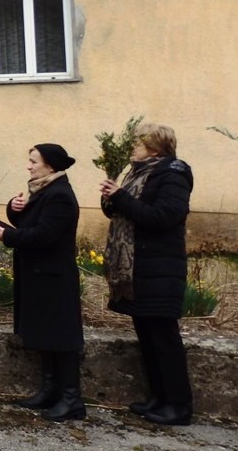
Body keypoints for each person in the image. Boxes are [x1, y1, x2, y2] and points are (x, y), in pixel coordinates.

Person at [99, 123, 193, 426]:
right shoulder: (137, 174)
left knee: (164, 338)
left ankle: (178, 406)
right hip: (140, 269)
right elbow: (124, 213)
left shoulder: (173, 174)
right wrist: (111, 198)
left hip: (160, 268)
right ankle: (159, 397)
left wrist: (122, 198)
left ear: (154, 147)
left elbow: (163, 217)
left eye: (137, 143)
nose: (132, 148)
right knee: (147, 335)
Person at [0, 143, 85, 422]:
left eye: (34, 161)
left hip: (54, 277)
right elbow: (29, 223)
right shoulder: (44, 190)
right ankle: (50, 390)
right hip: (41, 275)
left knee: (61, 337)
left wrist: (3, 235)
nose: (29, 166)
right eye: (29, 161)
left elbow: (43, 236)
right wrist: (14, 208)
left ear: (51, 166)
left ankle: (72, 400)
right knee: (46, 334)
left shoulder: (60, 196)